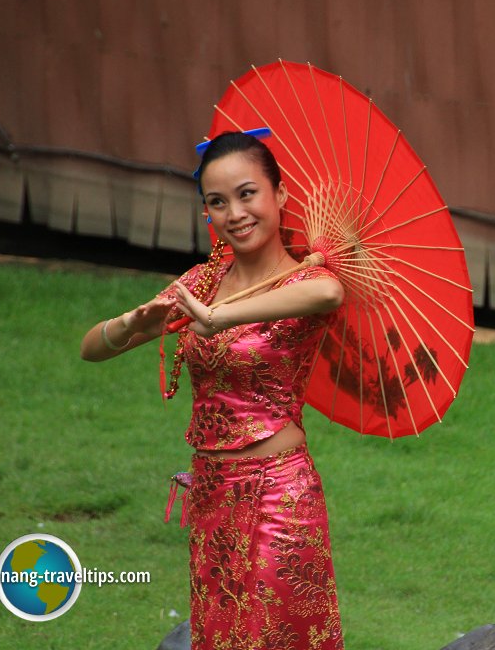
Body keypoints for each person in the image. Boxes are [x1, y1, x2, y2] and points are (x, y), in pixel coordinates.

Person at [81, 130, 346, 650]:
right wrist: (134, 321)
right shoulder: (203, 281)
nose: (235, 213)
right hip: (212, 494)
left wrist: (217, 317)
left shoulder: (305, 283)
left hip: (278, 498)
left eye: (248, 194)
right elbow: (92, 349)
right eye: (217, 202)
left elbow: (330, 292)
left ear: (280, 195)